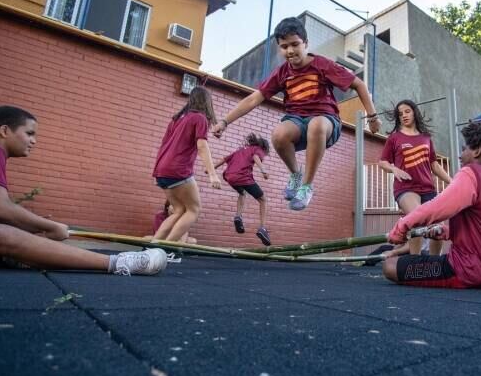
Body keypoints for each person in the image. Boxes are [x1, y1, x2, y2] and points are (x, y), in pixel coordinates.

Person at [0, 106, 167, 275]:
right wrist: (50, 227)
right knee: (2, 236)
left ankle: (21, 257)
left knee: (10, 233)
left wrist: (33, 227)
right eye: (29, 133)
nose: (34, 141)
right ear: (4, 131)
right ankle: (119, 262)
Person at [211, 17, 381, 211]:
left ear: (306, 43)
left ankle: (307, 187)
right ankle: (295, 175)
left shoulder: (322, 65)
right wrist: (225, 122)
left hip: (326, 122)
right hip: (297, 121)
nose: (290, 51)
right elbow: (253, 99)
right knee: (279, 134)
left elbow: (358, 84)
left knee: (316, 124)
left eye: (295, 44)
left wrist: (372, 117)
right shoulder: (281, 73)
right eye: (284, 47)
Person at [383, 120, 481, 289]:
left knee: (390, 265)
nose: (460, 155)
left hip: (470, 271)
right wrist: (447, 232)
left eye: (464, 149)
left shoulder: (470, 173)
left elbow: (437, 207)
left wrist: (402, 225)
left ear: (477, 151)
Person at [379, 100, 452, 256]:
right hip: (406, 188)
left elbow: (435, 166)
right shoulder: (394, 138)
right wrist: (394, 169)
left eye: (407, 111)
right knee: (416, 219)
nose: (403, 115)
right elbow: (382, 162)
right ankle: (415, 262)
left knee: (437, 227)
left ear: (414, 112)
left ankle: (434, 264)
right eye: (400, 114)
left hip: (428, 188)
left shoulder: (426, 138)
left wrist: (453, 183)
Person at [153, 86, 221, 243]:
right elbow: (202, 146)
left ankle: (152, 247)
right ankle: (165, 249)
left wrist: (158, 171)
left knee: (178, 210)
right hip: (178, 169)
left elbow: (164, 144)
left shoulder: (177, 118)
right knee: (193, 210)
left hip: (162, 169)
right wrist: (213, 175)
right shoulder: (200, 118)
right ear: (207, 102)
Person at [212, 133, 272, 246]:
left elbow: (224, 159)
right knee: (263, 200)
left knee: (242, 192)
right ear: (264, 147)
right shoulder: (258, 149)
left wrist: (211, 169)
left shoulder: (240, 150)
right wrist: (263, 170)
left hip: (229, 176)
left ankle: (238, 216)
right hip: (243, 177)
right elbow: (255, 157)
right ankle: (262, 228)